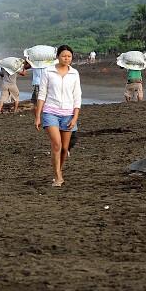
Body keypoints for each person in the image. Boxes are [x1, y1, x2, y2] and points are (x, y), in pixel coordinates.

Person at [34, 45, 82, 187]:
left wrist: (75, 118)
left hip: (68, 114)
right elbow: (42, 94)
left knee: (64, 149)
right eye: (63, 56)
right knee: (56, 144)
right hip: (50, 111)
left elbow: (77, 97)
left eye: (69, 56)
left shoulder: (74, 73)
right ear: (57, 56)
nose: (66, 59)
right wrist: (38, 116)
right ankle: (58, 177)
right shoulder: (48, 72)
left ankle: (58, 170)